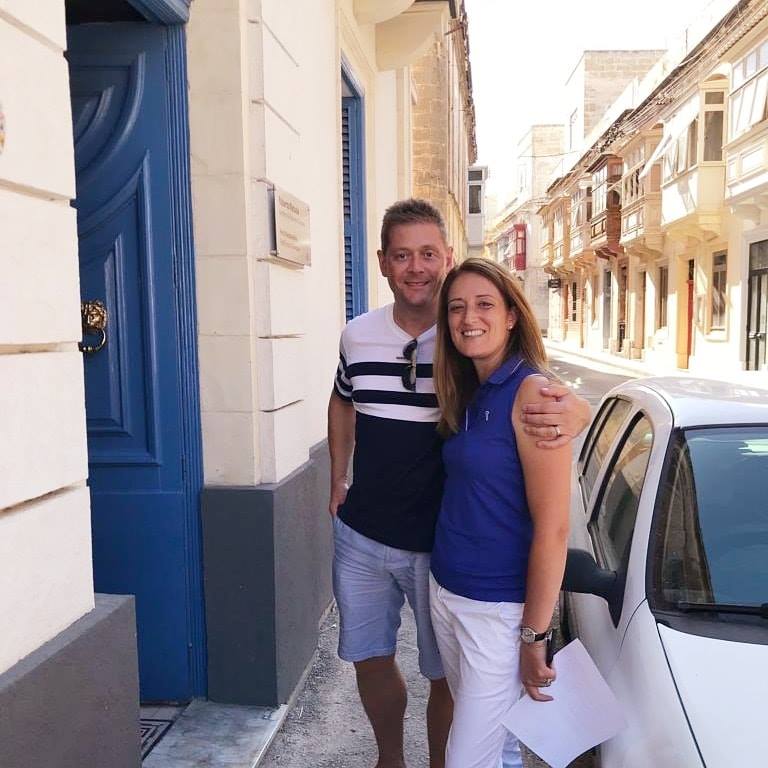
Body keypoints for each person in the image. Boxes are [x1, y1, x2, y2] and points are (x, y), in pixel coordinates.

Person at [327, 199, 589, 768]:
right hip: (398, 552)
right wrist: (336, 478)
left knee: (463, 709)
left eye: (427, 254)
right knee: (387, 667)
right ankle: (389, 760)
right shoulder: (397, 348)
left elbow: (539, 417)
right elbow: (342, 400)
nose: (415, 266)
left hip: (465, 575)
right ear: (382, 263)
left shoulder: (479, 363)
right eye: (402, 255)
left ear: (445, 258)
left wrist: (580, 409)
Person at [428, 257, 572, 768]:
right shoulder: (466, 388)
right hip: (446, 591)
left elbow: (554, 530)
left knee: (466, 758)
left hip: (497, 612)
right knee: (500, 743)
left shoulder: (533, 392)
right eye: (457, 308)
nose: (469, 317)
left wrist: (535, 636)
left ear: (513, 315)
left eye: (485, 304)